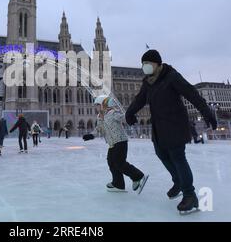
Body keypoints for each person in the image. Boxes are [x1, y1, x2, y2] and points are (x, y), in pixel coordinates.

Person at [125, 50, 217, 214]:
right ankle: (178, 181)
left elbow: (192, 93)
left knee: (178, 157)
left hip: (175, 124)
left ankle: (190, 194)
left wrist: (207, 112)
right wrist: (130, 112)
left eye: (148, 63)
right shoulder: (148, 82)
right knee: (161, 154)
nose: (145, 67)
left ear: (158, 64)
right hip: (158, 127)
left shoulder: (171, 76)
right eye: (143, 64)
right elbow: (140, 99)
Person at [93, 95, 148, 193]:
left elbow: (122, 117)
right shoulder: (100, 117)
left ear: (103, 104)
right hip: (112, 143)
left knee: (119, 163)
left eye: (97, 105)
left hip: (120, 141)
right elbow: (99, 128)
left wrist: (130, 118)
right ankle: (118, 184)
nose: (96, 107)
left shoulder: (112, 113)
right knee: (111, 162)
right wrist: (91, 135)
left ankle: (138, 176)